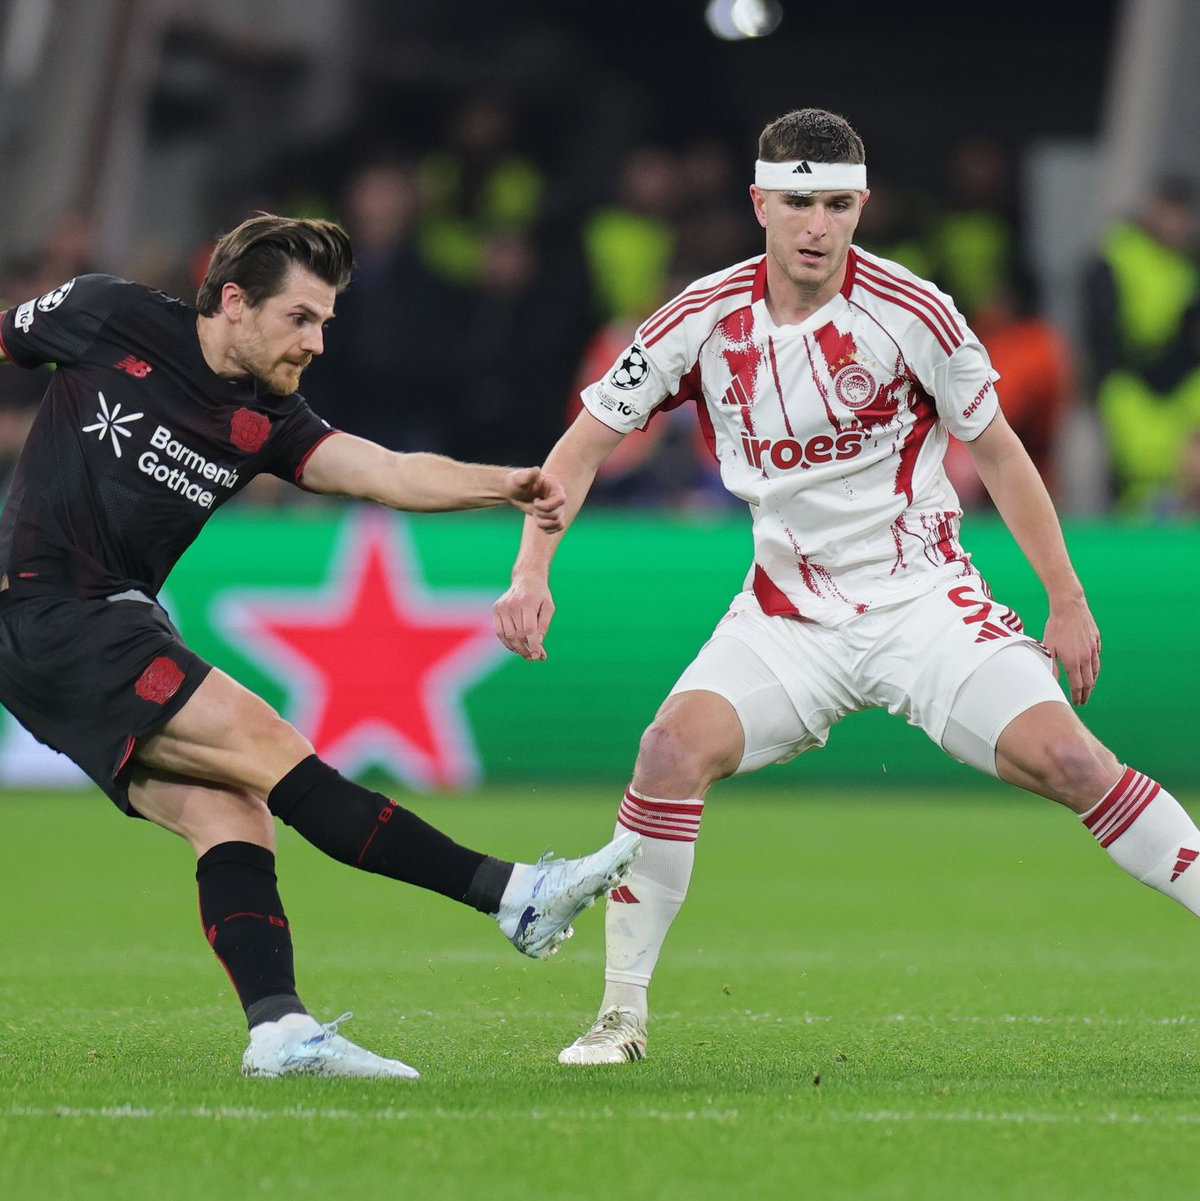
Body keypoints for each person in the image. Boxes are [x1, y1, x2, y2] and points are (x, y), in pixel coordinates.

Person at [494, 108, 1200, 1065]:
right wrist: (530, 569)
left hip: (922, 602)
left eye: (835, 203)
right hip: (785, 615)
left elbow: (999, 451)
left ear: (861, 205)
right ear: (760, 204)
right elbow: (581, 449)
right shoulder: (699, 317)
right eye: (797, 203)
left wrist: (1066, 597)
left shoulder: (915, 312)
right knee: (666, 752)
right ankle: (620, 1016)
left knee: (1075, 765)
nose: (817, 224)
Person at [0, 214, 639, 1079]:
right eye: (301, 318)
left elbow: (386, 470)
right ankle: (514, 895)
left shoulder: (268, 417)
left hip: (101, 621)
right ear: (233, 301)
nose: (316, 341)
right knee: (274, 752)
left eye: (326, 322)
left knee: (232, 811)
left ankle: (279, 1030)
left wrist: (506, 485)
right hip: (53, 608)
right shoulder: (111, 314)